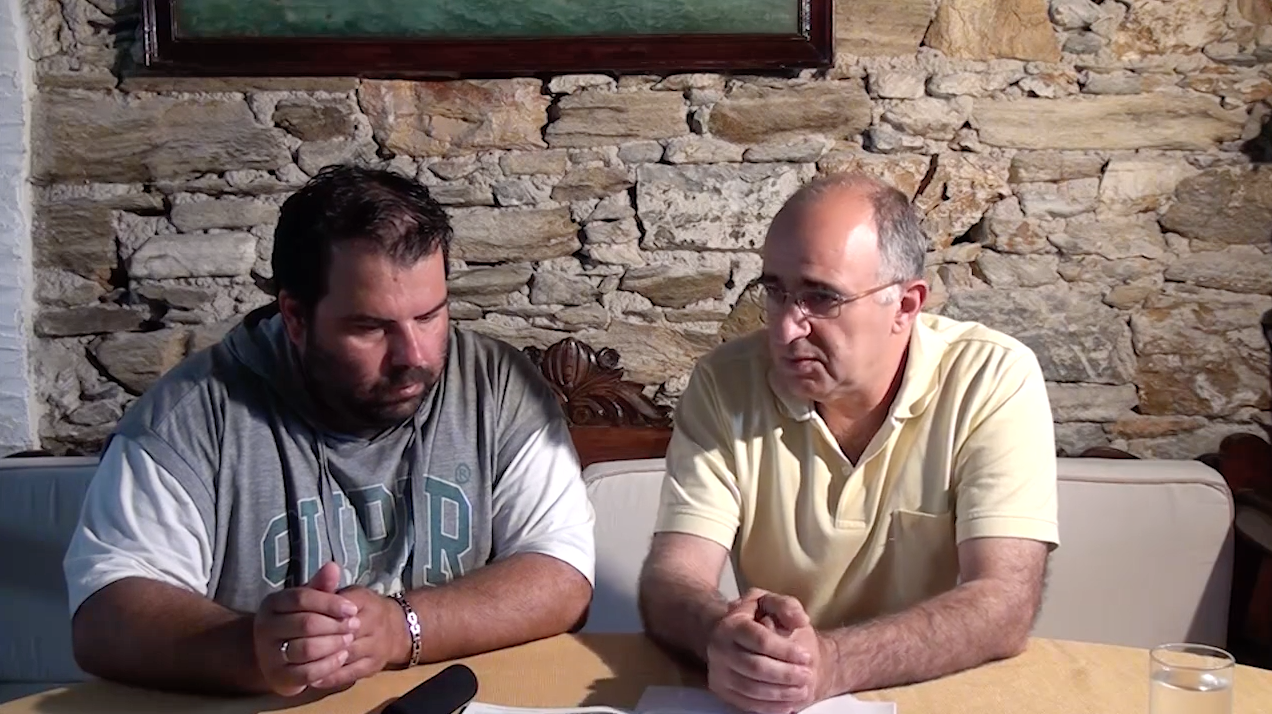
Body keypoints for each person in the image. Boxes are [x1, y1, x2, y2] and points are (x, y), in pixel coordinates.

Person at [64, 164, 596, 696]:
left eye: (430, 316)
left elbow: (562, 575)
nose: (413, 356)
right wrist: (251, 649)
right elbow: (104, 616)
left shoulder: (495, 387)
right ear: (295, 317)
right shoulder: (190, 418)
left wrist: (401, 628)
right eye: (371, 327)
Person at [637, 173, 1059, 712]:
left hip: (935, 696)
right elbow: (673, 578)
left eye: (821, 297)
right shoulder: (725, 383)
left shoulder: (992, 378)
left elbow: (1004, 603)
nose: (786, 330)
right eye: (776, 292)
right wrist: (719, 634)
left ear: (905, 305)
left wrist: (833, 661)